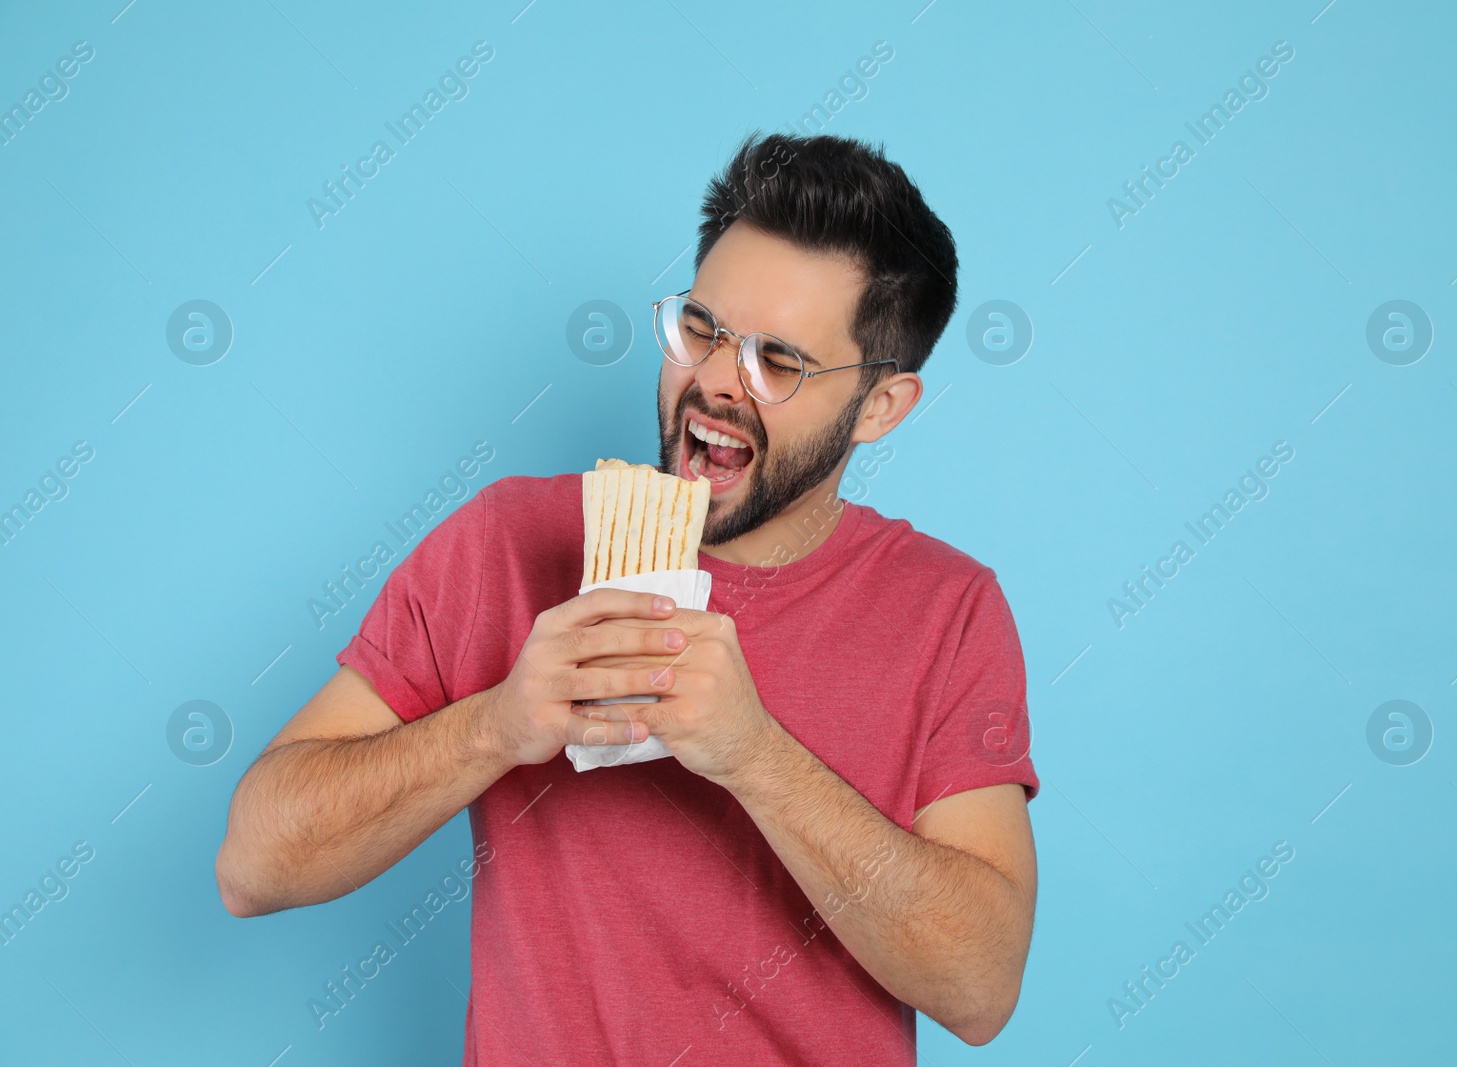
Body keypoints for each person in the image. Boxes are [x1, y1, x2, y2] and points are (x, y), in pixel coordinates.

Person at [216, 131, 1040, 1065]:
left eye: (781, 361)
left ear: (882, 407)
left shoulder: (947, 608)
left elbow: (980, 989)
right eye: (701, 328)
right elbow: (252, 864)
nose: (717, 383)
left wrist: (754, 755)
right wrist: (497, 725)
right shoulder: (509, 543)